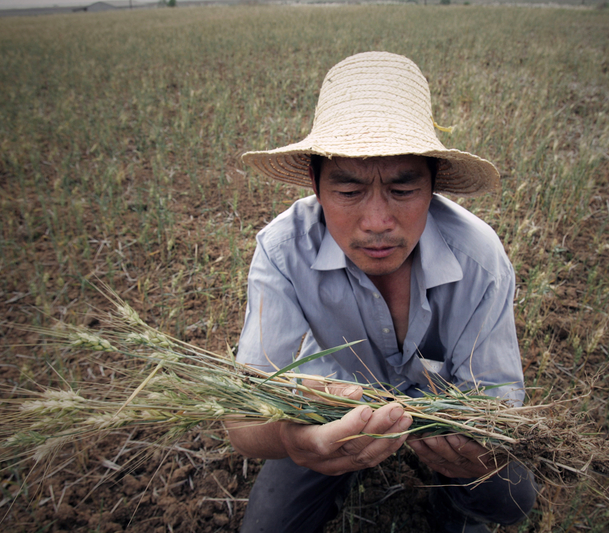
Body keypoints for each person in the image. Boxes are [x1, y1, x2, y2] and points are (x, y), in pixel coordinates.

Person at [226, 51, 537, 533]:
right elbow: (244, 417)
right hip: (329, 410)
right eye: (348, 192)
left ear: (433, 186)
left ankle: (450, 500)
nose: (376, 224)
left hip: (447, 423)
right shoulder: (283, 250)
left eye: (403, 189)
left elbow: (497, 403)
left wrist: (480, 450)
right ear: (315, 184)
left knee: (510, 498)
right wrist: (294, 439)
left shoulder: (479, 260)